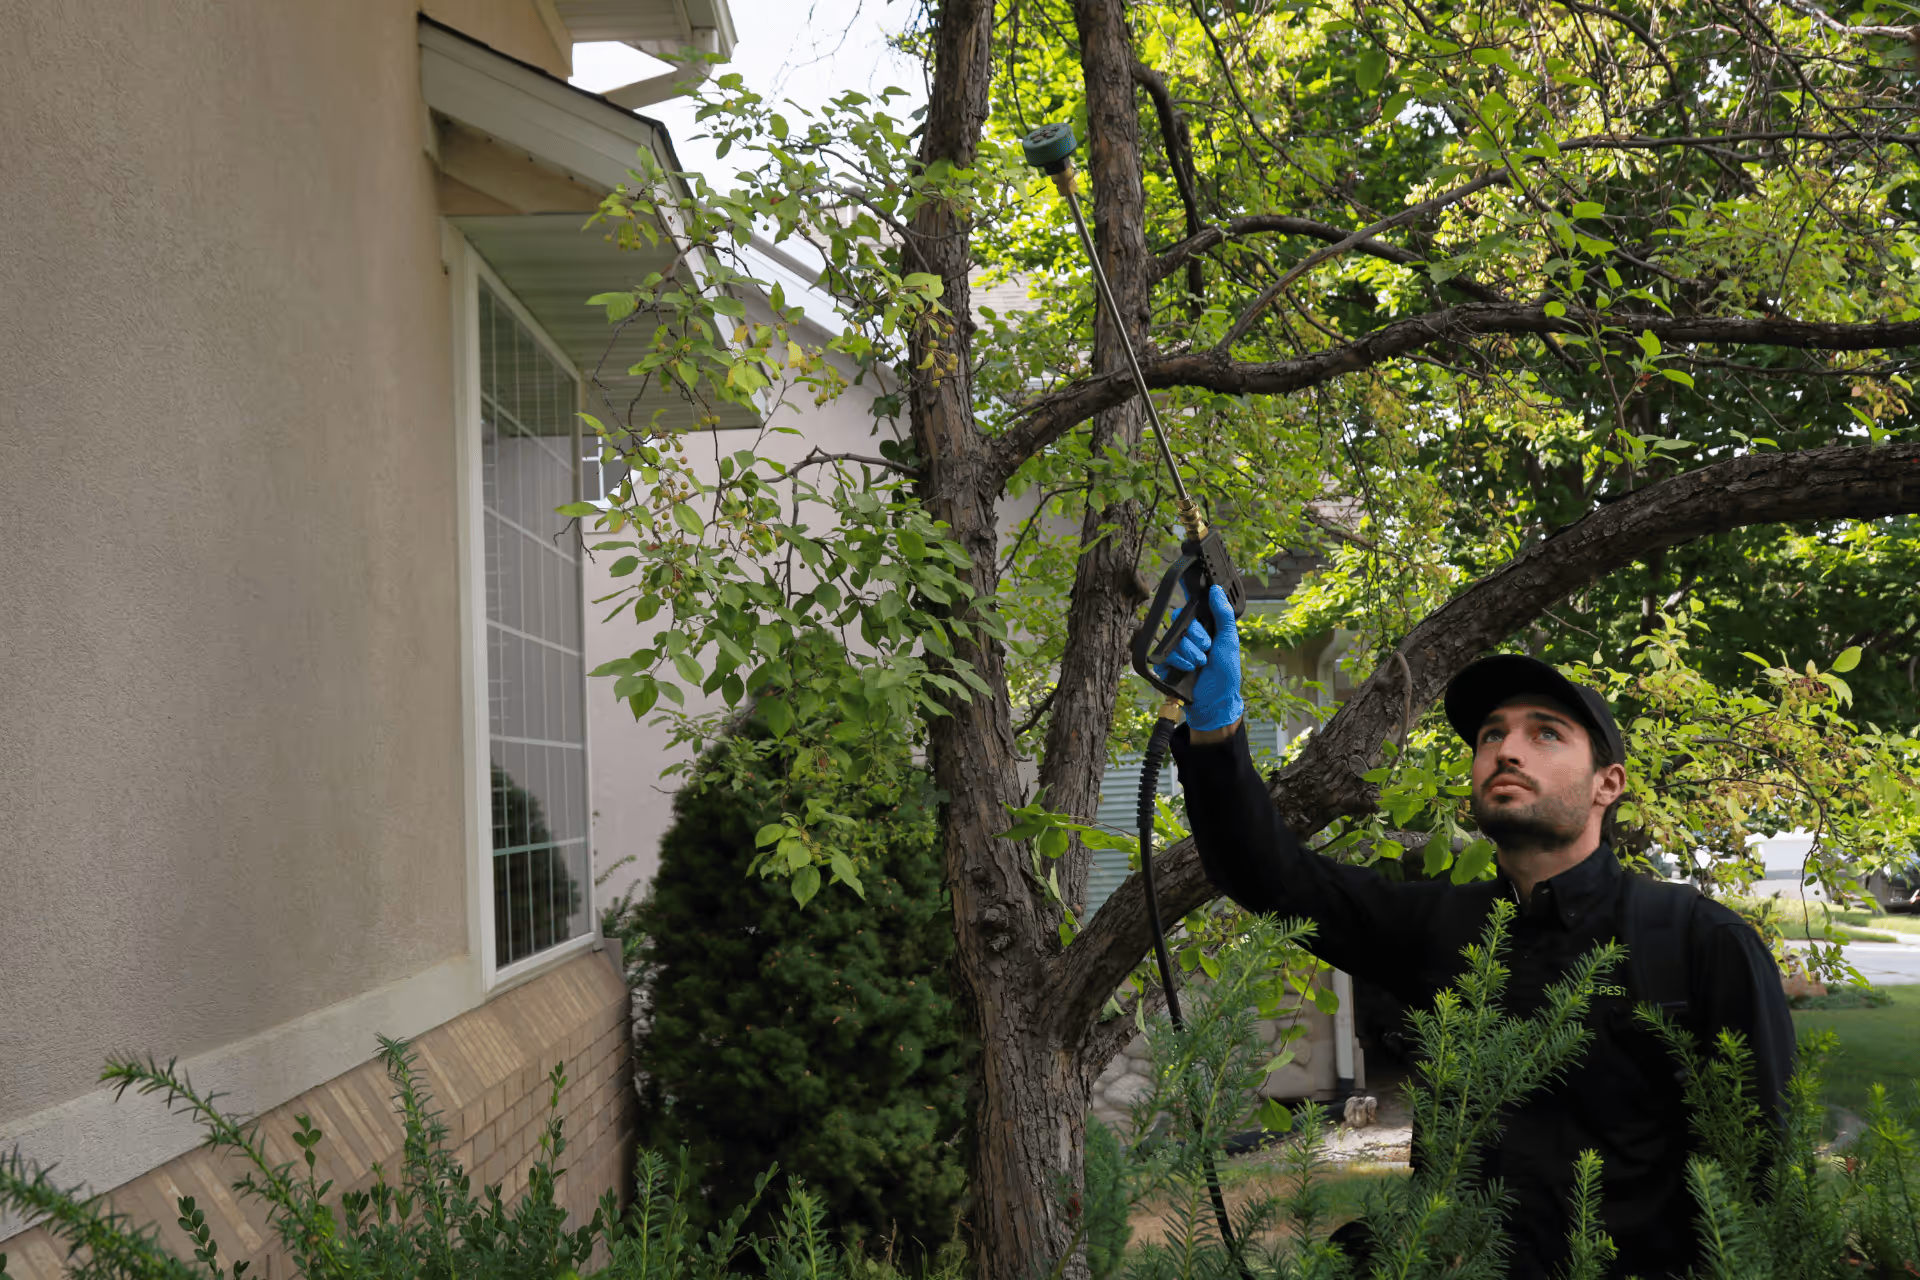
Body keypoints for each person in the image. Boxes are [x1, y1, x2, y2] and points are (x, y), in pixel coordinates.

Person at [1158, 586, 1794, 1279]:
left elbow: (1765, 1186)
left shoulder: (1700, 941)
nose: (1506, 750)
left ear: (1607, 784)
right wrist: (1216, 728)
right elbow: (1269, 875)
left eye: (1545, 733)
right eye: (1492, 735)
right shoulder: (1437, 925)